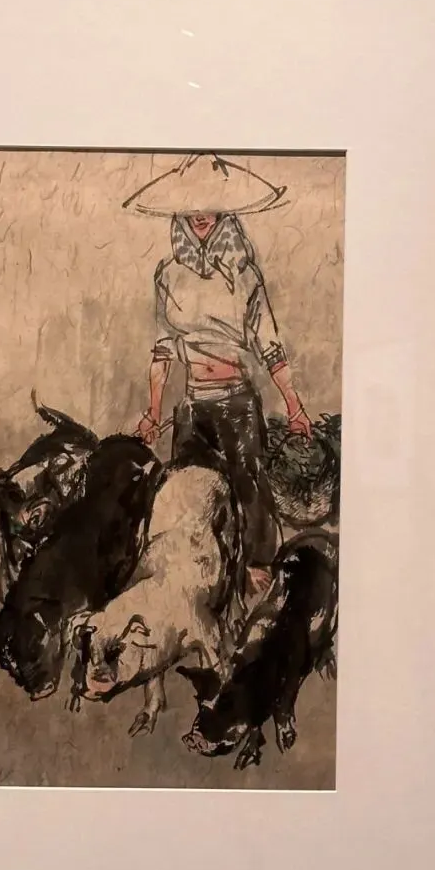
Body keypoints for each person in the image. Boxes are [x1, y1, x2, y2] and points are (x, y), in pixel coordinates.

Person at [124, 154, 313, 595]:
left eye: (210, 206)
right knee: (184, 492)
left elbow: (269, 344)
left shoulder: (245, 274)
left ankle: (258, 571)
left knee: (249, 486)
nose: (201, 214)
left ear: (225, 211)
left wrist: (295, 406)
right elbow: (163, 348)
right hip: (193, 406)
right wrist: (153, 413)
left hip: (237, 404)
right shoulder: (168, 274)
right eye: (192, 206)